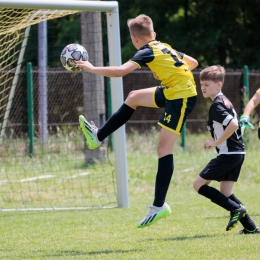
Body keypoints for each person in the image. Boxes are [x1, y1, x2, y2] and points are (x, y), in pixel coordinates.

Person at [76, 14, 198, 228]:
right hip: (174, 90)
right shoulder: (164, 46)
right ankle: (97, 137)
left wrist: (91, 68)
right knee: (133, 97)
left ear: (134, 39)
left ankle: (159, 206)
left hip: (181, 97)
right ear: (154, 34)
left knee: (163, 150)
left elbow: (121, 71)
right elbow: (193, 63)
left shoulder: (146, 51)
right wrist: (168, 73)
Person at [193, 65, 259, 234]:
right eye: (202, 84)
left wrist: (215, 142)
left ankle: (235, 210)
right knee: (226, 191)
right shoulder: (224, 100)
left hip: (229, 154)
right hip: (237, 153)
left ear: (219, 85)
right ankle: (250, 227)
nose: (203, 88)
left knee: (198, 184)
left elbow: (234, 124)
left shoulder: (217, 104)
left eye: (207, 84)